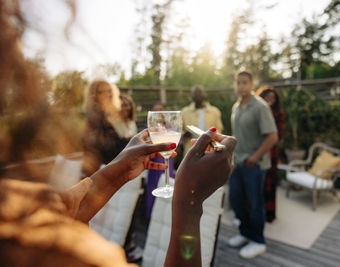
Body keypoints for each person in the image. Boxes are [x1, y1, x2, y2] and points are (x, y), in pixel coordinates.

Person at [0, 2, 237, 267]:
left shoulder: (15, 204)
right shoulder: (46, 249)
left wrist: (121, 169)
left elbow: (65, 210)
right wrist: (189, 204)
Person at [228, 71, 278, 259]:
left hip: (254, 165)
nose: (241, 86)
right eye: (238, 82)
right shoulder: (236, 107)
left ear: (252, 83)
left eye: (245, 82)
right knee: (236, 200)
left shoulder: (260, 107)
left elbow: (273, 137)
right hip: (238, 163)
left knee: (255, 204)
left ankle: (258, 241)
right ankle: (245, 233)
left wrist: (255, 157)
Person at [82, 80, 130, 176]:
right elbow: (107, 148)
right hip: (100, 173)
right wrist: (129, 139)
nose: (107, 94)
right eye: (101, 92)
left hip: (107, 168)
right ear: (93, 96)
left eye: (109, 91)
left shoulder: (107, 115)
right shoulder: (96, 116)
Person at [256, 87, 285, 223]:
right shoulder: (256, 112)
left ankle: (269, 214)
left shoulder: (278, 115)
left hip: (271, 153)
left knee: (269, 185)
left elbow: (277, 135)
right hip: (255, 151)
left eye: (272, 98)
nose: (269, 100)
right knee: (256, 186)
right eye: (267, 97)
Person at [145, 103, 175, 220]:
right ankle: (151, 217)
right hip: (154, 163)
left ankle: (165, 217)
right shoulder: (149, 129)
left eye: (161, 110)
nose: (160, 114)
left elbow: (177, 143)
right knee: (153, 189)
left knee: (167, 188)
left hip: (168, 163)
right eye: (156, 111)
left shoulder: (170, 127)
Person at [181, 85, 224, 156]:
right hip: (190, 152)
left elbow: (219, 130)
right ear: (191, 96)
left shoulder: (215, 111)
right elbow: (179, 132)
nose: (198, 95)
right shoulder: (184, 112)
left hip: (211, 152)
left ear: (205, 94)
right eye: (195, 93)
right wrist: (184, 134)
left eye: (200, 92)